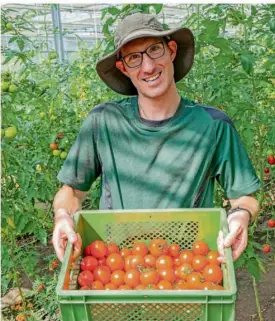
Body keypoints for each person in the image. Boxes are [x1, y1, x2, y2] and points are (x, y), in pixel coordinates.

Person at [52, 13, 261, 264]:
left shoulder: (213, 126)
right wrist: (62, 217)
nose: (148, 66)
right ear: (123, 68)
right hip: (117, 268)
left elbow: (243, 197)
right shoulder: (103, 122)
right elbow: (71, 191)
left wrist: (240, 216)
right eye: (134, 58)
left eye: (154, 50)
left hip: (188, 266)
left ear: (171, 51)